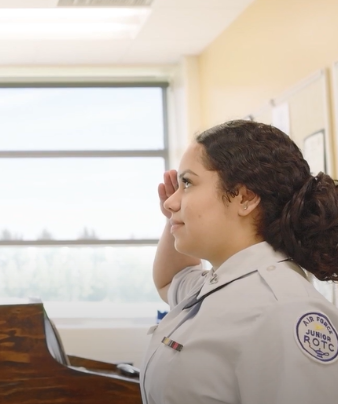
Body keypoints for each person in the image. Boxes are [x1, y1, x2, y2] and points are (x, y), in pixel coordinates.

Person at [141, 120, 338, 404]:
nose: (170, 202)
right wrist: (174, 219)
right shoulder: (221, 284)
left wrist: (179, 214)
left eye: (188, 183)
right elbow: (171, 280)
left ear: (244, 198)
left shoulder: (284, 310)